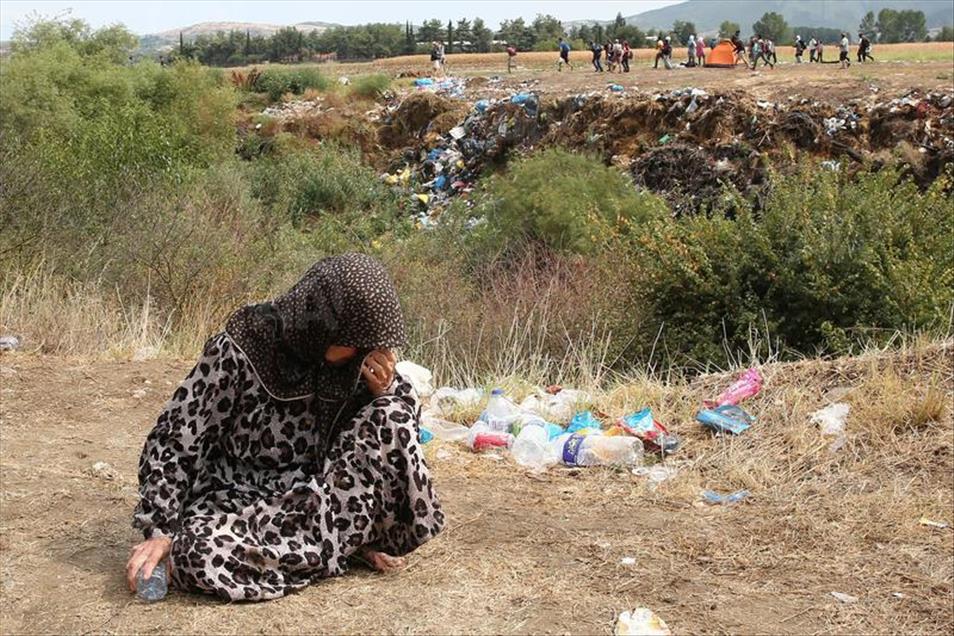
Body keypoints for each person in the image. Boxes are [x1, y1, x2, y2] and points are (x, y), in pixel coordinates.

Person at [127, 254, 444, 602]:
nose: (365, 352)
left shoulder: (356, 359)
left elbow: (397, 439)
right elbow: (175, 437)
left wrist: (385, 394)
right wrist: (160, 529)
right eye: (354, 341)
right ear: (321, 323)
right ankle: (333, 549)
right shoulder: (238, 350)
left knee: (392, 413)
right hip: (238, 502)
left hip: (318, 496)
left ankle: (338, 544)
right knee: (198, 555)